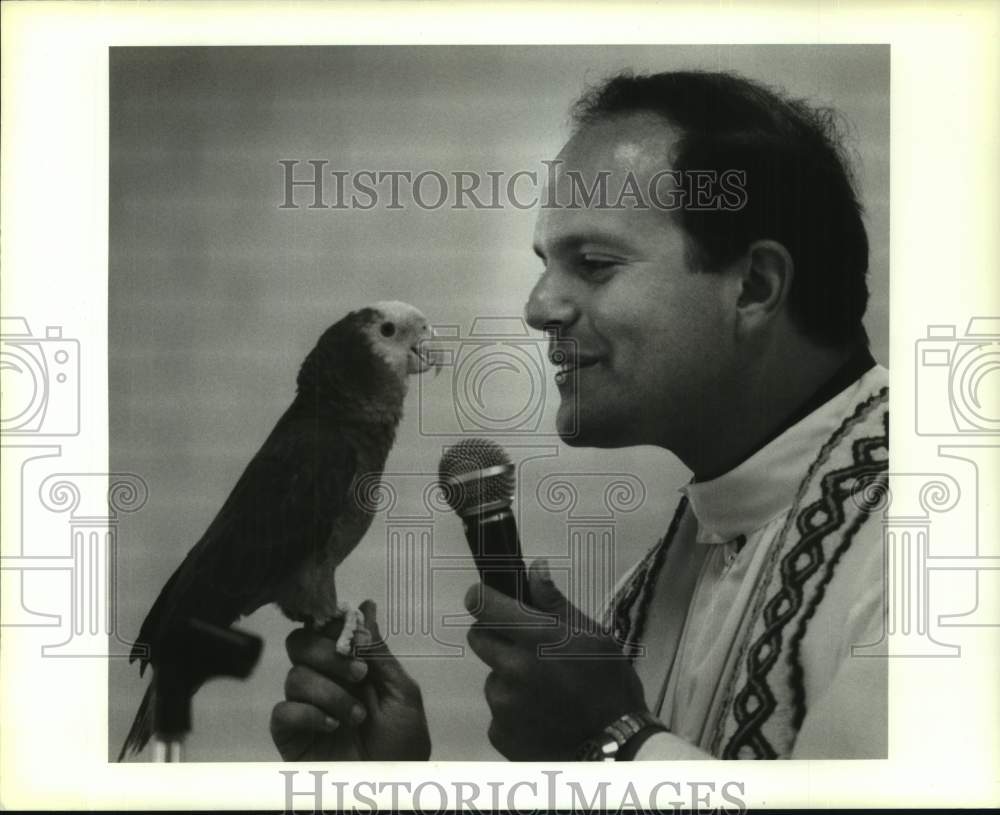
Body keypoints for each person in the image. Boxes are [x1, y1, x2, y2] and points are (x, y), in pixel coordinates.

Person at [269, 69, 888, 761]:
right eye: (545, 263)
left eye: (593, 263)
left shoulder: (932, 542)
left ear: (755, 285)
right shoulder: (657, 585)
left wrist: (613, 737)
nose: (539, 308)